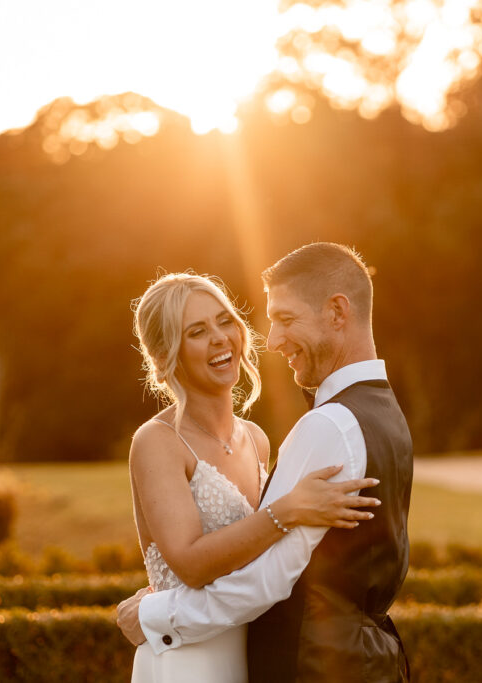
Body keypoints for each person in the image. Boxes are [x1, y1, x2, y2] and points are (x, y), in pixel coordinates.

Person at [118, 243, 413, 682]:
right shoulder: (157, 441)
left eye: (224, 321)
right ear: (167, 357)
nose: (221, 338)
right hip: (189, 658)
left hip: (245, 652)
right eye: (196, 331)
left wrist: (152, 614)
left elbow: (266, 572)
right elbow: (196, 564)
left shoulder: (258, 439)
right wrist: (286, 511)